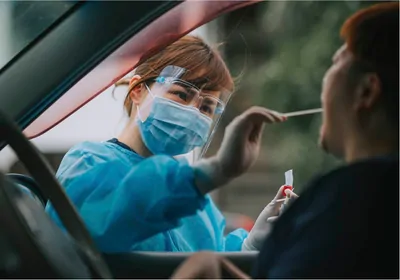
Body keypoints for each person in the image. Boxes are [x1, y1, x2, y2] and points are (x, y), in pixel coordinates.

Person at [170, 2, 399, 278]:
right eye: (182, 95)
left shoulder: (351, 202)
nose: (325, 81)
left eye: (337, 62)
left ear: (366, 91)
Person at [45, 35, 293, 253]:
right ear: (138, 90)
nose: (193, 113)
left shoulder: (196, 199)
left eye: (207, 107)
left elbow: (214, 258)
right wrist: (213, 171)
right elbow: (100, 230)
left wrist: (250, 245)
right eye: (182, 94)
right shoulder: (89, 163)